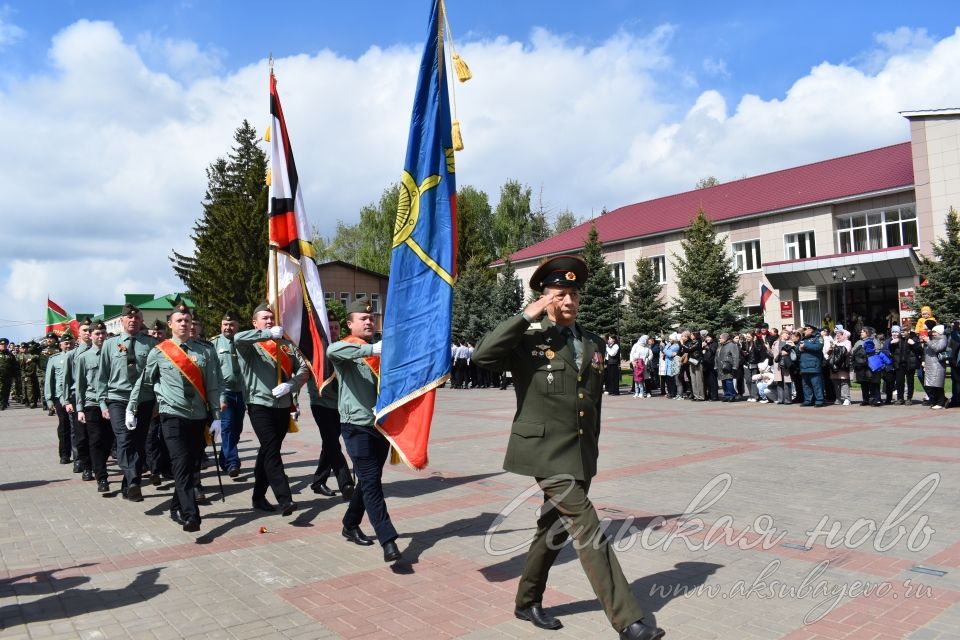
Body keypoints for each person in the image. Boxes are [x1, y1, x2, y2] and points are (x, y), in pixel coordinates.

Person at [472, 255, 664, 640]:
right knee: (587, 528)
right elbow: (482, 356)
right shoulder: (529, 339)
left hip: (580, 451)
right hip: (544, 452)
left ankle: (527, 600)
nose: (569, 300)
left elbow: (590, 401)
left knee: (553, 528)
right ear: (545, 298)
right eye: (560, 294)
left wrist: (590, 447)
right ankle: (628, 619)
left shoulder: (591, 342)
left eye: (574, 293)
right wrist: (526, 317)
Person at [129, 303, 224, 531]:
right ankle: (191, 515)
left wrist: (217, 417)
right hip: (172, 415)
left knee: (191, 466)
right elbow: (145, 383)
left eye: (187, 320)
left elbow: (213, 386)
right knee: (181, 464)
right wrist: (131, 408)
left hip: (198, 416)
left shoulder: (205, 350)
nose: (184, 324)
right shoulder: (159, 352)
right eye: (179, 320)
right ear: (170, 324)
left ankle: (175, 506)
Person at [327, 300, 401, 563]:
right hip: (355, 425)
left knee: (368, 480)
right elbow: (332, 351)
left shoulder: (382, 349)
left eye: (371, 318)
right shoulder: (347, 347)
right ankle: (388, 539)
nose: (369, 322)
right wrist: (371, 349)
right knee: (371, 482)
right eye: (362, 318)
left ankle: (349, 523)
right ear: (350, 324)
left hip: (380, 424)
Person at [234, 302, 308, 516]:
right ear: (255, 322)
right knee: (272, 449)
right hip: (260, 405)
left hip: (283, 405)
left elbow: (303, 369)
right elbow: (238, 338)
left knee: (268, 451)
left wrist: (291, 385)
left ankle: (258, 497)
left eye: (271, 318)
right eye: (264, 318)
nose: (269, 321)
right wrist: (266, 334)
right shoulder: (252, 345)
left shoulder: (287, 345)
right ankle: (285, 499)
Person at [97, 304, 158, 501]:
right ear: (122, 321)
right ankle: (134, 481)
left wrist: (157, 403)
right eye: (129, 318)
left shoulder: (150, 344)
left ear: (141, 321)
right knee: (124, 439)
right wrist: (103, 404)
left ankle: (129, 484)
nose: (133, 321)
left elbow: (157, 376)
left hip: (144, 400)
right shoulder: (109, 344)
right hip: (118, 399)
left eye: (137, 318)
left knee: (138, 442)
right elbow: (102, 376)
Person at [307, 311, 355, 499]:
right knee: (333, 444)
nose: (334, 331)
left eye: (336, 327)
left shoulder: (342, 346)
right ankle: (346, 484)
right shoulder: (316, 349)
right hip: (320, 403)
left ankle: (318, 481)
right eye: (330, 327)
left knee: (329, 444)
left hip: (339, 405)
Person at [76, 322, 114, 493]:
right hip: (92, 403)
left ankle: (98, 464)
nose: (100, 336)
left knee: (110, 440)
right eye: (97, 333)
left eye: (103, 333)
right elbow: (80, 386)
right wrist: (80, 408)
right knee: (96, 440)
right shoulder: (83, 358)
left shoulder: (114, 354)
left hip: (112, 402)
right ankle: (102, 477)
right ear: (90, 335)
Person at [211, 310, 246, 477]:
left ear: (237, 326)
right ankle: (233, 462)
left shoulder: (244, 343)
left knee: (237, 429)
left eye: (232, 324)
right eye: (225, 324)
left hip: (242, 393)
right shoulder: (214, 344)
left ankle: (224, 459)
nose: (228, 327)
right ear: (221, 326)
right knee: (228, 427)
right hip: (224, 392)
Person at [59, 319, 93, 475]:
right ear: (78, 333)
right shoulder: (72, 355)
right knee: (78, 433)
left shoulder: (102, 350)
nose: (88, 333)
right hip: (76, 397)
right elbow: (65, 380)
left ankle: (95, 461)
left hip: (94, 397)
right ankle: (80, 460)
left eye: (89, 330)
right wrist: (66, 400)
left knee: (96, 433)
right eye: (85, 330)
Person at [45, 333, 74, 465]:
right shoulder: (54, 359)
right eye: (66, 343)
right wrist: (49, 399)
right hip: (59, 397)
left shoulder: (78, 355)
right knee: (64, 426)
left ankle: (79, 455)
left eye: (71, 343)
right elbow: (49, 380)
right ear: (60, 345)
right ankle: (64, 454)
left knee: (77, 428)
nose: (68, 346)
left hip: (74, 396)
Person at [851, 327, 882, 406]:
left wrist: (866, 352)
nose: (861, 333)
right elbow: (853, 351)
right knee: (863, 383)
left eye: (863, 332)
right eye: (861, 332)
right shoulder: (858, 342)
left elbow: (877, 350)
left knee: (873, 382)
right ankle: (865, 399)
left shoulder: (874, 340)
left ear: (867, 333)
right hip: (861, 365)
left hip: (871, 365)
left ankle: (876, 399)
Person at [797, 324, 825, 407]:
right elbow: (797, 347)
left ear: (811, 329)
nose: (804, 330)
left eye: (806, 329)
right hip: (804, 365)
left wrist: (805, 346)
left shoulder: (818, 337)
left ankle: (819, 400)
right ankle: (808, 400)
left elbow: (818, 347)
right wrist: (799, 348)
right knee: (806, 385)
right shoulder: (804, 338)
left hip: (814, 365)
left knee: (816, 384)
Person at [921, 324, 949, 409]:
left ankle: (940, 402)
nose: (933, 334)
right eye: (933, 332)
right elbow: (927, 352)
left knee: (938, 385)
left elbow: (937, 348)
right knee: (931, 385)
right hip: (930, 365)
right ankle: (935, 401)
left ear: (939, 332)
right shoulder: (933, 339)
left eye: (935, 332)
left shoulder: (942, 339)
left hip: (937, 365)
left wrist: (928, 341)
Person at [829, 327, 853, 406]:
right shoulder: (835, 342)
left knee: (844, 382)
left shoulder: (847, 342)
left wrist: (837, 347)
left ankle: (846, 398)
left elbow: (846, 351)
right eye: (836, 334)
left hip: (843, 365)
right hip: (834, 365)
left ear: (844, 335)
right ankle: (838, 398)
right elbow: (828, 353)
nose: (837, 336)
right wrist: (830, 348)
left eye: (839, 334)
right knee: (836, 382)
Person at [716, 333, 739, 402]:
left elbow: (735, 356)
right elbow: (716, 356)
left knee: (729, 381)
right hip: (721, 366)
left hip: (728, 366)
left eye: (721, 338)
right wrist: (715, 365)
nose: (719, 339)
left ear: (725, 339)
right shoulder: (720, 345)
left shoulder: (732, 345)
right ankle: (726, 395)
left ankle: (732, 395)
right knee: (723, 381)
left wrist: (735, 366)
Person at [0, 338, 18, 410]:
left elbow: (14, 366)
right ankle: (1, 404)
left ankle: (4, 404)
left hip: (8, 376)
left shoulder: (10, 355)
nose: (3, 346)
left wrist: (15, 376)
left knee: (6, 391)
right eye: (2, 344)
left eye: (5, 344)